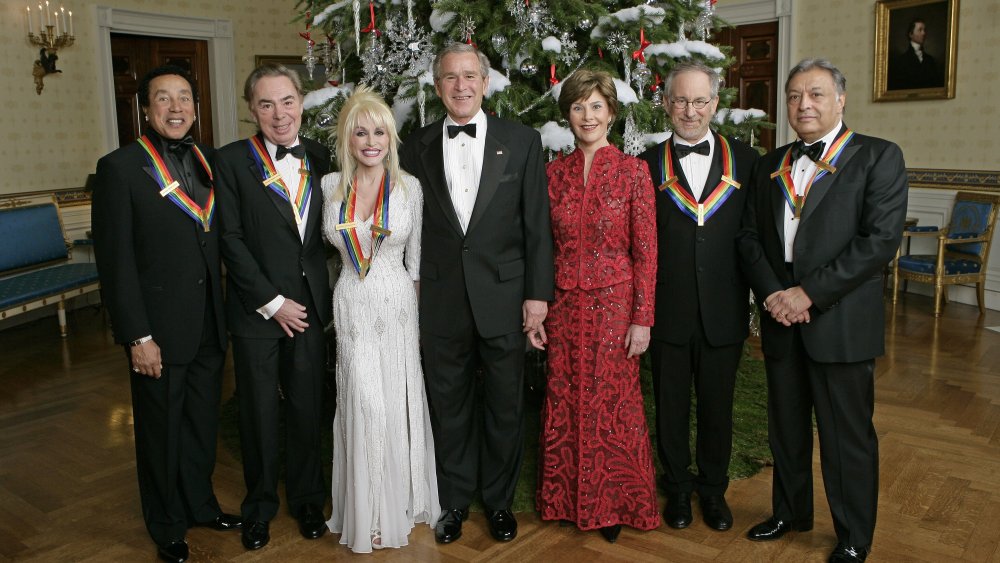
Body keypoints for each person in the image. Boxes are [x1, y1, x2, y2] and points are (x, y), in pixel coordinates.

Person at [737, 58, 908, 563]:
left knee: (846, 437)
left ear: (841, 99)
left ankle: (854, 536)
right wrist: (773, 293)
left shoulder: (878, 157)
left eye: (814, 94)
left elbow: (877, 243)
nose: (803, 104)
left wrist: (807, 294)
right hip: (781, 317)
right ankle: (790, 512)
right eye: (793, 96)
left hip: (839, 321)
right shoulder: (772, 164)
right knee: (786, 429)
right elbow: (749, 239)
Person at [399, 43, 554, 545]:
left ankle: (500, 502)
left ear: (485, 83)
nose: (460, 86)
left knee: (506, 405)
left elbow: (537, 226)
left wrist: (537, 296)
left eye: (469, 76)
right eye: (450, 77)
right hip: (441, 299)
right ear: (437, 86)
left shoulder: (523, 140)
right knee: (449, 405)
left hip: (506, 298)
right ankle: (454, 500)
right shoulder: (414, 145)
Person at [92, 64, 241, 563]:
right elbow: (116, 264)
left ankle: (200, 505)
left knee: (201, 423)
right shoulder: (119, 168)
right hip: (157, 329)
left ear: (196, 108)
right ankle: (166, 524)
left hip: (208, 322)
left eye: (184, 98)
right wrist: (137, 336)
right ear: (145, 108)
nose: (176, 108)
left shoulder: (208, 159)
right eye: (164, 99)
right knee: (160, 432)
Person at [535, 68, 660, 544]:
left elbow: (646, 253)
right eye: (577, 106)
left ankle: (612, 505)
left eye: (595, 106)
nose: (587, 116)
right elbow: (542, 248)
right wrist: (540, 309)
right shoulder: (553, 173)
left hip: (615, 308)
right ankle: (566, 501)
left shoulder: (633, 172)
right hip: (564, 306)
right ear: (567, 114)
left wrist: (641, 318)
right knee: (565, 400)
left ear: (610, 111)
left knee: (613, 406)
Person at [213, 63, 332, 551]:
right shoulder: (230, 160)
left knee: (308, 407)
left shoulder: (323, 157)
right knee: (259, 414)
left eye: (286, 101)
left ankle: (307, 500)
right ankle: (259, 506)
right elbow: (231, 239)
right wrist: (271, 301)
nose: (279, 114)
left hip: (310, 309)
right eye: (266, 104)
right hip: (257, 311)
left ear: (301, 102)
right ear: (251, 110)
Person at [637, 61, 759, 532]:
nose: (691, 110)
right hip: (666, 311)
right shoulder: (645, 167)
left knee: (716, 407)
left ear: (716, 103)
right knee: (669, 408)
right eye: (681, 101)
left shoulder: (747, 162)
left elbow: (755, 237)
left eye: (700, 101)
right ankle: (679, 490)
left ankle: (713, 490)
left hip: (724, 311)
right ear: (666, 104)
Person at [319, 86, 441, 553]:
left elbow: (418, 264)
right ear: (347, 139)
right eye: (360, 132)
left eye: (379, 132)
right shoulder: (332, 186)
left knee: (394, 401)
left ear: (391, 138)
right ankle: (364, 508)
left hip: (395, 305)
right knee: (361, 401)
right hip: (350, 300)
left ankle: (399, 502)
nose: (371, 141)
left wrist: (415, 319)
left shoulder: (410, 189)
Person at [887, 18, 943, 90]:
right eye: (920, 30)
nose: (924, 33)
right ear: (911, 34)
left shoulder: (930, 60)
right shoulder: (901, 60)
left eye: (924, 30)